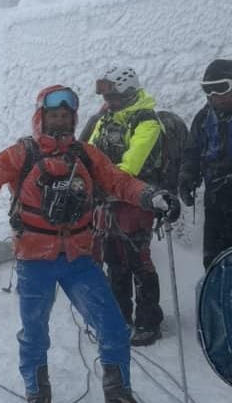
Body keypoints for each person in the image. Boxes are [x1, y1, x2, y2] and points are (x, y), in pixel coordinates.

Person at [0, 85, 180, 403]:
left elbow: (120, 181)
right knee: (35, 334)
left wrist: (151, 195)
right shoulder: (22, 153)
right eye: (54, 115)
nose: (61, 122)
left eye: (66, 116)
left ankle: (117, 391)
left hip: (79, 259)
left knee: (114, 327)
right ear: (41, 117)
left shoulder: (86, 155)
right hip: (34, 260)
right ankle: (38, 392)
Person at [85, 66, 165, 346]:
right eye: (107, 97)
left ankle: (149, 321)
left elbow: (132, 165)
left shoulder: (147, 121)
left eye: (114, 96)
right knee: (113, 259)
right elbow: (91, 152)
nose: (109, 101)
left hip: (136, 199)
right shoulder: (106, 118)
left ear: (129, 91)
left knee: (137, 259)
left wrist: (101, 181)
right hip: (108, 200)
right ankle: (120, 316)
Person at [179, 59, 232, 269]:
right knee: (214, 260)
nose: (213, 96)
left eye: (221, 88)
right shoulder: (204, 117)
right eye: (208, 89)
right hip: (216, 199)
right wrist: (187, 177)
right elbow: (192, 152)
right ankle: (217, 299)